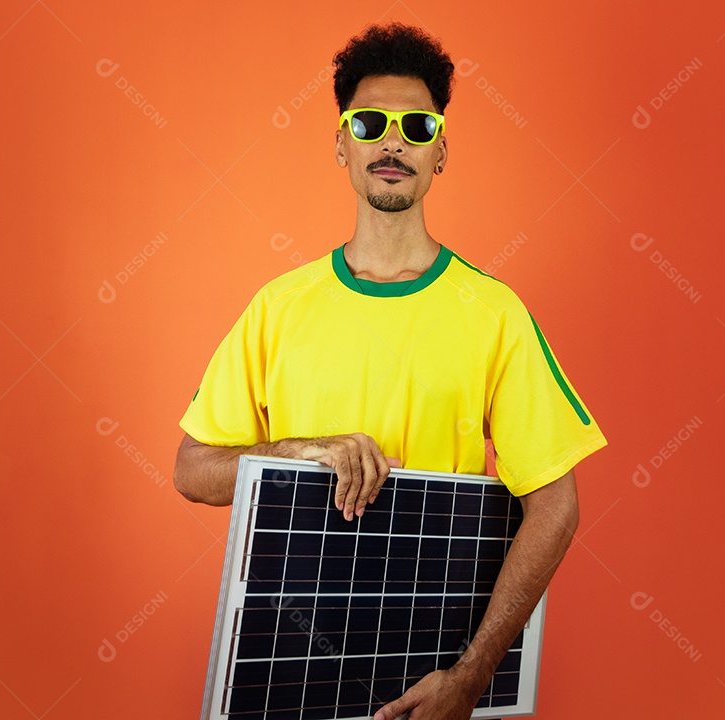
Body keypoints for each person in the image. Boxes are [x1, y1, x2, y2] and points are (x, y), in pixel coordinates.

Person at [173, 21, 608, 720]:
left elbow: (555, 505)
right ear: (342, 144)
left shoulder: (492, 312)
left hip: (428, 677)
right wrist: (293, 452)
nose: (393, 140)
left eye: (417, 124)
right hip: (288, 669)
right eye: (370, 122)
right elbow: (192, 469)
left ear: (441, 151)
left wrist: (470, 676)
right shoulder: (278, 308)